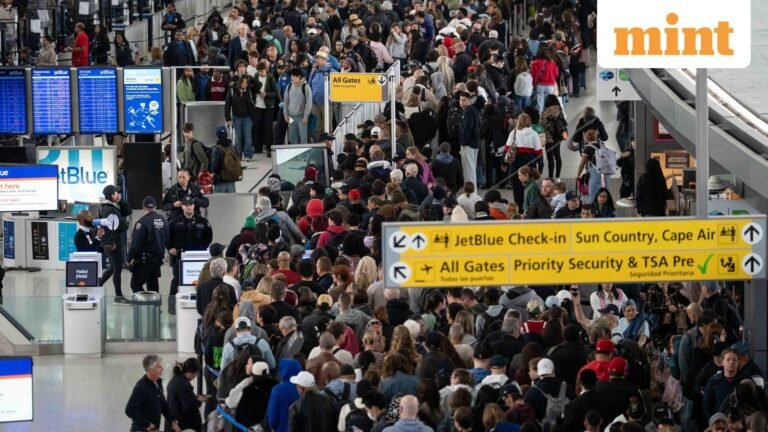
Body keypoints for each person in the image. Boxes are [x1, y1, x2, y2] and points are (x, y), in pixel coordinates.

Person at [168, 198, 213, 313]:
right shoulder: (175, 222)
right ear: (182, 206)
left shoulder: (202, 221)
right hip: (180, 257)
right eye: (186, 205)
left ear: (194, 206)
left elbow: (209, 237)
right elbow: (167, 237)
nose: (188, 207)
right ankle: (172, 307)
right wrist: (170, 248)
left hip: (198, 257)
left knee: (200, 280)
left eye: (191, 204)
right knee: (176, 280)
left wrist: (202, 249)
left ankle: (202, 304)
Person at [125, 354, 181, 432]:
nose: (162, 369)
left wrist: (172, 421)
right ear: (150, 369)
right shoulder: (141, 387)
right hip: (142, 429)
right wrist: (147, 424)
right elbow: (129, 410)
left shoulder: (157, 383)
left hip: (153, 429)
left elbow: (163, 405)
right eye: (159, 367)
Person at [127, 196, 169, 294]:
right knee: (153, 286)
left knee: (135, 285)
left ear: (143, 207)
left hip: (144, 260)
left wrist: (129, 259)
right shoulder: (163, 220)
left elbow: (135, 244)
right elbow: (167, 238)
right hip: (158, 259)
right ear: (155, 207)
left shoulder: (142, 222)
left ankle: (146, 302)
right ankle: (155, 303)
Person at [98, 185, 131, 305]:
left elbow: (128, 211)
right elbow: (122, 226)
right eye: (116, 193)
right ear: (112, 195)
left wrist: (121, 201)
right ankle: (118, 296)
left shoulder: (107, 207)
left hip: (110, 244)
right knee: (117, 269)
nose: (118, 194)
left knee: (112, 268)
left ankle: (97, 285)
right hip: (113, 244)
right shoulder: (111, 209)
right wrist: (125, 224)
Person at [166, 358, 205, 432]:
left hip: (174, 420)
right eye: (196, 374)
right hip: (183, 425)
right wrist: (199, 401)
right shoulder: (184, 385)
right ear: (191, 372)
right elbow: (188, 407)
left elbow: (181, 398)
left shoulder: (175, 378)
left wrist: (193, 397)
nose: (195, 377)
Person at [225, 75, 256, 161]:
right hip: (236, 118)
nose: (244, 84)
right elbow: (227, 105)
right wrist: (228, 118)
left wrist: (253, 118)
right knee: (238, 138)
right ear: (239, 82)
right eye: (243, 82)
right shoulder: (232, 90)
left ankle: (248, 155)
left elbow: (251, 106)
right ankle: (238, 155)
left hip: (248, 118)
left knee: (248, 137)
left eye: (246, 83)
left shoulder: (249, 91)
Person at [283, 67, 313, 144]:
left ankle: (303, 152)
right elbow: (286, 101)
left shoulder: (306, 87)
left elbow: (309, 103)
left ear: (299, 76)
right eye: (291, 76)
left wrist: (306, 116)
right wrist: (285, 114)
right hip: (291, 116)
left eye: (293, 76)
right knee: (292, 138)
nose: (291, 78)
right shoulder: (289, 86)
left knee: (303, 138)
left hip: (302, 117)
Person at [458, 91, 481, 188]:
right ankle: (472, 191)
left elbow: (467, 129)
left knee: (469, 170)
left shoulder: (468, 111)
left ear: (469, 101)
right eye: (460, 100)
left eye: (464, 100)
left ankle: (470, 192)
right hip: (473, 143)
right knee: (470, 169)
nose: (461, 102)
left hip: (468, 144)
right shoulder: (471, 110)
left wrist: (463, 143)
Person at [210, 125, 240, 193]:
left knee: (219, 199)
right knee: (231, 199)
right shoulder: (233, 147)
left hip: (220, 181)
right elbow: (238, 159)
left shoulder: (216, 149)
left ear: (217, 135)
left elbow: (214, 167)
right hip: (231, 180)